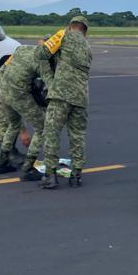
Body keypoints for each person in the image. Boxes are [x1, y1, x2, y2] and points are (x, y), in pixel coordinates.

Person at [38, 15, 93, 190]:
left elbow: (42, 54)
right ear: (85, 31)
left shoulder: (63, 35)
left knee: (52, 133)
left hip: (61, 94)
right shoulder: (88, 48)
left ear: (70, 26)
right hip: (81, 97)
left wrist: (43, 44)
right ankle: (76, 175)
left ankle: (50, 175)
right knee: (78, 136)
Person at [0, 44, 54, 181]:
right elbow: (50, 86)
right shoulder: (43, 62)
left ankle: (3, 162)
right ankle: (28, 169)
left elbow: (5, 68)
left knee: (13, 125)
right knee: (42, 127)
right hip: (19, 96)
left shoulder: (22, 48)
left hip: (4, 92)